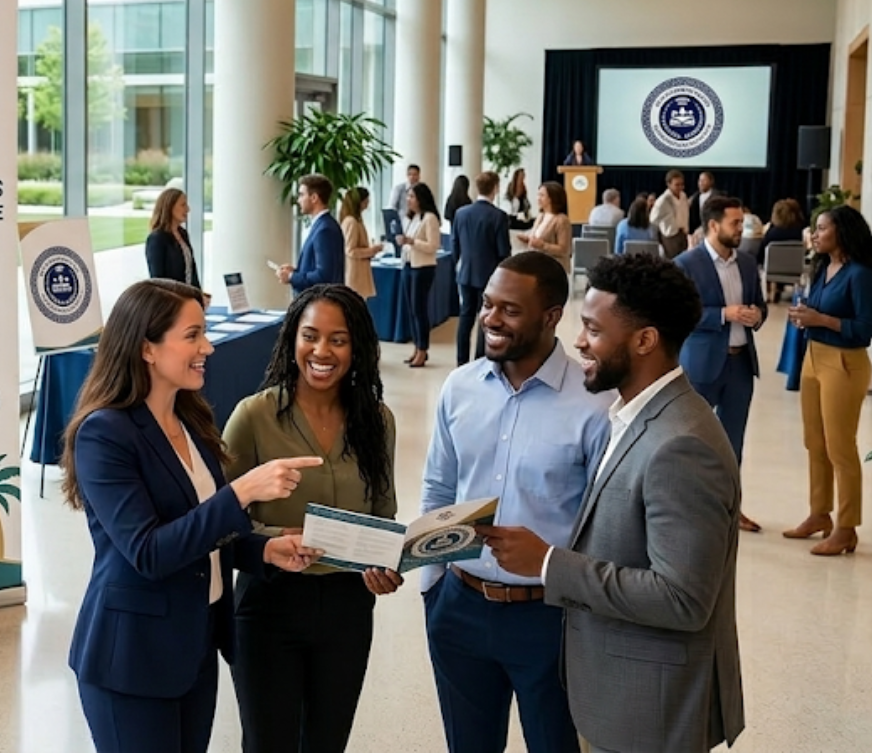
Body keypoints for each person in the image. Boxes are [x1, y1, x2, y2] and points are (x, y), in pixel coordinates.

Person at [482, 251, 744, 753]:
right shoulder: (633, 415)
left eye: (593, 330)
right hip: (616, 693)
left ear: (644, 340)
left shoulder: (681, 444)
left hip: (650, 711)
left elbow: (684, 598)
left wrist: (549, 563)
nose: (579, 342)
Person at [63, 279, 323, 753]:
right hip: (133, 659)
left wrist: (264, 550)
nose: (208, 347)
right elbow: (149, 552)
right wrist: (242, 492)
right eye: (192, 335)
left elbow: (202, 533)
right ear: (146, 348)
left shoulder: (190, 420)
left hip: (193, 644)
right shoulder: (104, 434)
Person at [420, 251, 611, 753]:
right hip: (458, 606)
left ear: (551, 317)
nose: (490, 318)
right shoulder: (460, 387)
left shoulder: (595, 405)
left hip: (549, 618)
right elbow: (440, 487)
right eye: (487, 304)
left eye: (510, 310)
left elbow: (604, 526)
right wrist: (432, 588)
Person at [224, 284, 401, 753]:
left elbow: (383, 515)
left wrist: (385, 565)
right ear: (292, 340)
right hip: (269, 603)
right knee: (268, 743)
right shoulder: (254, 416)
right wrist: (272, 540)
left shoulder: (377, 421)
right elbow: (218, 521)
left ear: (357, 348)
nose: (322, 351)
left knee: (327, 741)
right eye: (310, 336)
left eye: (338, 340)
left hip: (347, 606)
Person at [674, 196, 766, 533]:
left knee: (732, 443)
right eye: (735, 223)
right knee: (690, 441)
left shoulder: (747, 263)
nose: (742, 228)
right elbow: (678, 314)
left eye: (742, 222)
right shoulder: (686, 264)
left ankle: (730, 510)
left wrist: (757, 315)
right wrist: (723, 314)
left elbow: (760, 305)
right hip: (701, 365)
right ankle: (684, 511)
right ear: (714, 225)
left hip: (740, 366)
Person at [785, 205, 872, 557]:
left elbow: (864, 330)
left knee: (840, 447)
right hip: (814, 357)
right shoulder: (824, 268)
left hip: (844, 362)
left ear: (842, 232)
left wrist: (820, 319)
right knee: (814, 442)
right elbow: (819, 311)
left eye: (821, 228)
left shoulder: (860, 274)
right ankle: (819, 513)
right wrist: (804, 316)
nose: (815, 234)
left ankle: (846, 528)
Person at [451, 171, 511, 366]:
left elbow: (454, 245)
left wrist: (459, 265)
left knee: (465, 316)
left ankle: (461, 362)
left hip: (465, 274)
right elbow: (503, 251)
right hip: (489, 276)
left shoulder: (461, 213)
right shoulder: (498, 216)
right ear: (495, 188)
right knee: (486, 318)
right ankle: (480, 360)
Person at [397, 182, 441, 368]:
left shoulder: (430, 218)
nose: (408, 200)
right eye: (407, 196)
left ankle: (423, 349)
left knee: (419, 310)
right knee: (411, 309)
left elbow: (433, 245)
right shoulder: (412, 218)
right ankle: (417, 347)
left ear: (421, 198)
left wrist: (412, 241)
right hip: (408, 264)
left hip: (423, 267)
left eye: (412, 196)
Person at [278, 174, 346, 294]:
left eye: (301, 195)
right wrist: (296, 272)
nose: (298, 200)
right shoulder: (322, 225)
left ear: (314, 198)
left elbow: (323, 276)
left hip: (319, 301)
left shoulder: (325, 229)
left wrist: (291, 277)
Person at [146, 188, 201, 290]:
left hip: (188, 296)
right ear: (169, 207)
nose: (188, 209)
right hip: (171, 298)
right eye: (183, 205)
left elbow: (191, 270)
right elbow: (158, 280)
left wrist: (198, 294)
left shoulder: (183, 234)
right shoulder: (157, 239)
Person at [514, 181, 572, 272]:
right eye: (538, 195)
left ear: (552, 198)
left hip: (554, 269)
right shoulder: (541, 216)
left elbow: (564, 250)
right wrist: (528, 240)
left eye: (542, 195)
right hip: (539, 266)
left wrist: (543, 245)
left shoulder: (561, 220)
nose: (538, 198)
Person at [339, 186, 381, 300]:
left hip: (358, 273)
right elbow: (350, 250)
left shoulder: (356, 220)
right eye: (366, 200)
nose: (368, 203)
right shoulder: (351, 222)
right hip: (355, 275)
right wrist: (372, 251)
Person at [761, 198, 807, 301]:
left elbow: (761, 253)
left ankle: (771, 292)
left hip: (772, 270)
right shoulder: (799, 233)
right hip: (794, 270)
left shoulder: (771, 233)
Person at [651, 169, 691, 258]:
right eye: (677, 185)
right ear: (669, 184)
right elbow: (653, 219)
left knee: (684, 260)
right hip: (670, 236)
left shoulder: (683, 196)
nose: (680, 187)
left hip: (683, 233)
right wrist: (665, 226)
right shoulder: (663, 200)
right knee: (672, 261)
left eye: (681, 184)